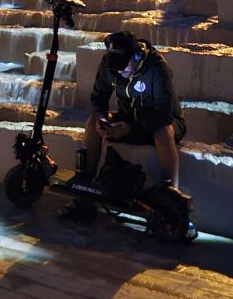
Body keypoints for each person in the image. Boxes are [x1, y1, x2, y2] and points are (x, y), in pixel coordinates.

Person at [59, 32, 186, 222]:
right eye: (116, 67)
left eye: (124, 66)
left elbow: (164, 115)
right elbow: (98, 98)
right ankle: (85, 191)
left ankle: (170, 197)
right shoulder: (110, 64)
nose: (120, 71)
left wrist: (129, 128)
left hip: (160, 123)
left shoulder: (157, 67)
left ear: (136, 56)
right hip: (127, 120)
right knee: (92, 122)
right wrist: (102, 119)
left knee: (163, 130)